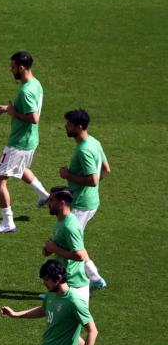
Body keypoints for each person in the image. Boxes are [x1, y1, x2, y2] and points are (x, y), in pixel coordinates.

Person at [42, 186, 102, 345]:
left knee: (73, 331)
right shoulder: (61, 223)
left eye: (51, 200)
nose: (48, 202)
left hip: (75, 284)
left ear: (61, 203)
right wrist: (50, 248)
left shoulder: (70, 226)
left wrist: (54, 249)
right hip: (67, 282)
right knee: (68, 329)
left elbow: (79, 254)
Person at [0, 51, 51, 233]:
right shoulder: (35, 83)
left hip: (19, 142)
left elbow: (34, 118)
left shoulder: (26, 91)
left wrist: (12, 111)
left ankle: (8, 222)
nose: (10, 69)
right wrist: (9, 108)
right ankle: (45, 196)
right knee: (21, 169)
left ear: (21, 68)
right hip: (30, 140)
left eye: (13, 66)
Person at [60, 109, 110, 290]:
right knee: (75, 242)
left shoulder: (84, 150)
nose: (66, 127)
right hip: (89, 202)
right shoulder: (94, 142)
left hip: (81, 205)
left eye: (69, 125)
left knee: (70, 247)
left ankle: (70, 287)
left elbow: (93, 179)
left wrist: (68, 175)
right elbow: (106, 169)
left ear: (79, 127)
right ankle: (95, 279)